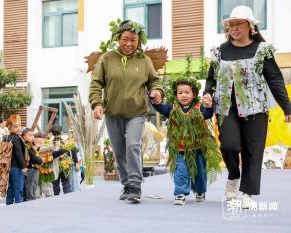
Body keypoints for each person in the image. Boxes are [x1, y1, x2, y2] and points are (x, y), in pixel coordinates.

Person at [203, 6, 291, 209]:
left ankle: (248, 193)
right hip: (227, 108)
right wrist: (207, 94)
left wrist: (287, 108)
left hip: (256, 108)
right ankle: (233, 176)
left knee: (253, 151)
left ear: (250, 26)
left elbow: (275, 80)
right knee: (229, 145)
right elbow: (211, 79)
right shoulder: (220, 51)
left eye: (238, 24)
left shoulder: (262, 50)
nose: (233, 28)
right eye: (230, 24)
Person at [89, 20, 163, 203]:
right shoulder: (107, 58)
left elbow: (154, 81)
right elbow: (96, 83)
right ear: (118, 38)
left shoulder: (144, 60)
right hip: (113, 113)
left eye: (133, 40)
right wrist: (97, 103)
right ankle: (127, 184)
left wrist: (157, 91)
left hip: (136, 112)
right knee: (120, 150)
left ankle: (135, 185)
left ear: (139, 41)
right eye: (125, 39)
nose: (129, 44)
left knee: (132, 145)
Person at [152, 77, 221, 205]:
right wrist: (156, 102)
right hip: (180, 149)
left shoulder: (199, 107)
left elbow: (208, 114)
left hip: (198, 148)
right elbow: (161, 108)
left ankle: (200, 191)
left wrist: (210, 106)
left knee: (200, 173)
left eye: (187, 92)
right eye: (180, 93)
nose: (183, 95)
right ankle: (180, 193)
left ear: (194, 94)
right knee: (180, 171)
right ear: (176, 94)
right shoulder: (172, 108)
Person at [5, 114, 27, 205]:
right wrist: (24, 166)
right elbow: (19, 153)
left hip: (9, 167)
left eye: (19, 126)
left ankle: (9, 204)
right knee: (18, 188)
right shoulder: (16, 138)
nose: (18, 128)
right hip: (17, 167)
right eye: (15, 126)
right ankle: (19, 206)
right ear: (10, 127)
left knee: (11, 188)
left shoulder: (7, 137)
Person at [22, 128, 43, 201]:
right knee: (31, 186)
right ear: (24, 137)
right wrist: (41, 160)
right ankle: (30, 199)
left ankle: (29, 198)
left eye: (33, 135)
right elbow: (33, 157)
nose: (32, 137)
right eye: (30, 135)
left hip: (34, 168)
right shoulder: (27, 145)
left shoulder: (30, 145)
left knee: (33, 185)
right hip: (31, 168)